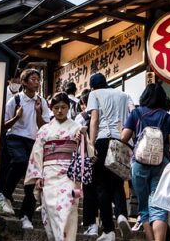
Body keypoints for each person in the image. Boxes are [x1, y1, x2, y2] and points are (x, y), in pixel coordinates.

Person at [25, 92, 91, 241]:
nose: (60, 111)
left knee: (67, 208)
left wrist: (81, 141)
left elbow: (89, 152)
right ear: (51, 109)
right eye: (56, 108)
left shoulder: (77, 128)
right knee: (50, 210)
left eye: (63, 107)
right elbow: (36, 153)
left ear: (68, 108)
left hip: (69, 174)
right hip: (49, 174)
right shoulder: (44, 130)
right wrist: (38, 175)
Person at [120, 82, 170, 241]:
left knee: (144, 207)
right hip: (161, 164)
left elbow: (124, 138)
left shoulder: (136, 113)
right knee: (159, 206)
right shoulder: (167, 116)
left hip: (139, 164)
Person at [0, 68, 51, 229]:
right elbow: (4, 126)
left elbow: (44, 126)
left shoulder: (42, 102)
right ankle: (4, 194)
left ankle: (25, 216)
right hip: (15, 138)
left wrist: (38, 111)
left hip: (33, 141)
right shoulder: (15, 100)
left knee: (31, 180)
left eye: (38, 79)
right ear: (24, 82)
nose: (36, 82)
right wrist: (17, 117)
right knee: (20, 162)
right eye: (33, 79)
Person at [87, 72, 133, 241]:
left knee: (102, 186)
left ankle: (109, 231)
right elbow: (132, 113)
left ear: (93, 86)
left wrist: (91, 144)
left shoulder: (94, 94)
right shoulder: (123, 94)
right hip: (121, 140)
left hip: (103, 140)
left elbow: (94, 119)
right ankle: (121, 215)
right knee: (118, 183)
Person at [77, 89, 100, 237]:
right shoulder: (102, 114)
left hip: (86, 157)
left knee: (89, 190)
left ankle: (91, 224)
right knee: (100, 190)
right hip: (102, 155)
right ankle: (99, 222)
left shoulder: (80, 118)